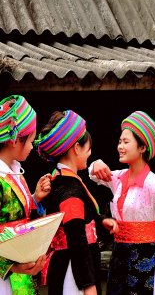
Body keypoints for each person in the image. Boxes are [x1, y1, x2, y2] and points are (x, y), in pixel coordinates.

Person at [88, 111, 155, 295]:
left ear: (142, 148)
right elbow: (94, 175)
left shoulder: (152, 183)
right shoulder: (118, 177)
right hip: (119, 257)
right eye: (120, 141)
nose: (120, 146)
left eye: (126, 142)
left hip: (146, 259)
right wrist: (96, 163)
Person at [34, 110, 118, 295]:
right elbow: (76, 238)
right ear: (76, 148)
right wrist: (88, 285)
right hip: (74, 274)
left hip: (68, 267)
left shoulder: (60, 180)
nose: (90, 154)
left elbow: (79, 221)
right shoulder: (70, 189)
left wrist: (100, 220)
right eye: (88, 149)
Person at [0, 95, 51, 295]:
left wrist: (35, 198)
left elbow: (13, 213)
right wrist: (12, 266)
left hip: (21, 275)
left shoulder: (14, 172)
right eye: (30, 140)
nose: (32, 146)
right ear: (14, 141)